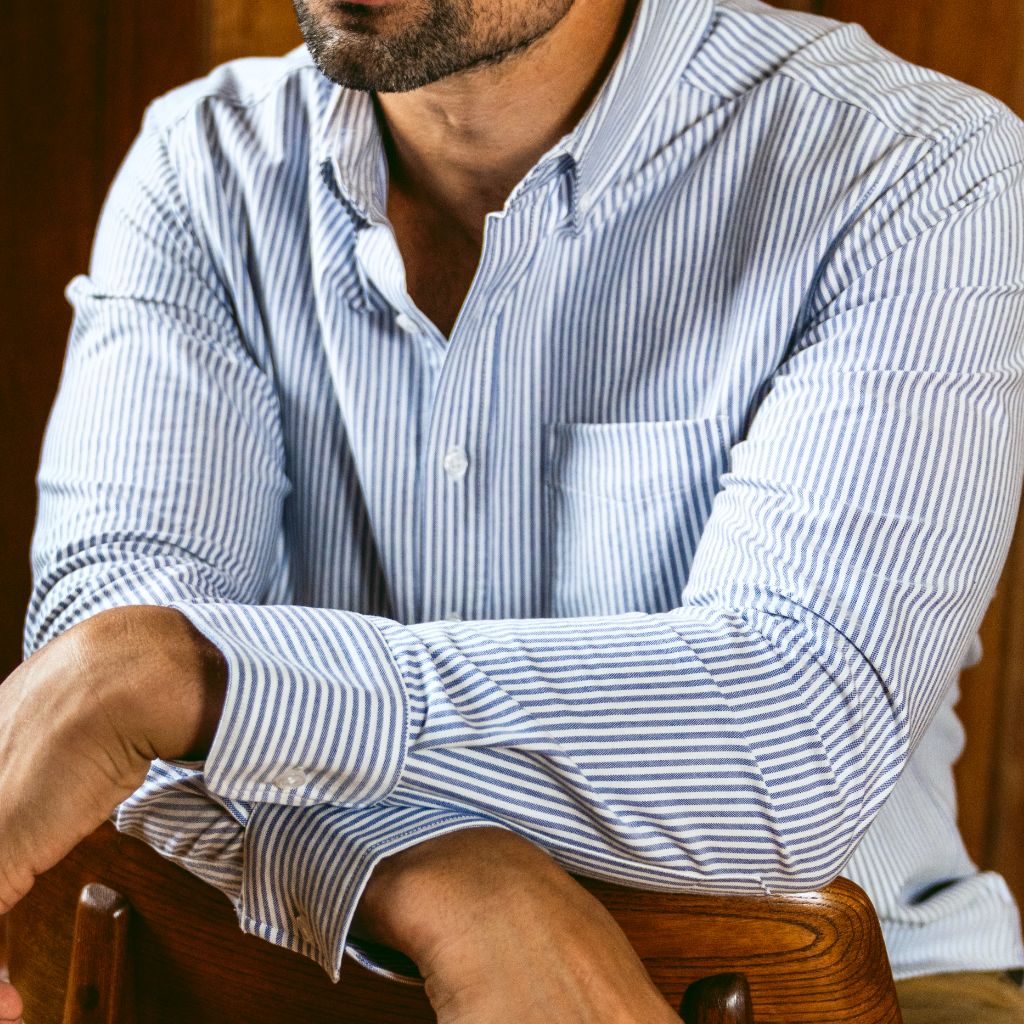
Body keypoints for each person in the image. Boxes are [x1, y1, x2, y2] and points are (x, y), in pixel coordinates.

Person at [2, 0, 1024, 1020]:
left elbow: (795, 746)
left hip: (822, 985)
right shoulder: (204, 162)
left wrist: (190, 683)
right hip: (281, 970)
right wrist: (433, 871)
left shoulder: (919, 169)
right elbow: (81, 713)